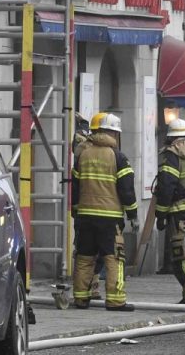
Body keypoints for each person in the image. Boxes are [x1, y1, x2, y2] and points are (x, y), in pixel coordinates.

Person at [71, 112, 139, 311]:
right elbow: (127, 190)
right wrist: (133, 215)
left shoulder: (82, 154)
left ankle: (81, 298)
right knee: (114, 258)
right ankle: (116, 300)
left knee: (84, 256)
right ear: (113, 134)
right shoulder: (117, 157)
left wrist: (76, 210)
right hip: (110, 218)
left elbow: (74, 187)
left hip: (85, 216)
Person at [153, 118, 185, 305]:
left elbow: (167, 185)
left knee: (183, 255)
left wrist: (160, 215)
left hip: (180, 213)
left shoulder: (173, 154)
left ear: (171, 137)